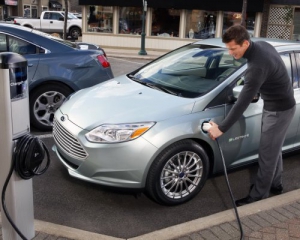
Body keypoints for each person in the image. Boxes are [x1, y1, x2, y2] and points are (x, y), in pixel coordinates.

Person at [207, 25, 296, 206]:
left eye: (233, 48)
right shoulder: (263, 45)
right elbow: (274, 72)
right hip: (279, 105)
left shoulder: (256, 67)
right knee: (273, 149)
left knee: (266, 152)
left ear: (245, 43)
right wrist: (260, 89)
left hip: (279, 110)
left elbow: (242, 103)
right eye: (228, 48)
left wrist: (221, 129)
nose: (230, 52)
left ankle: (258, 196)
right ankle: (276, 184)